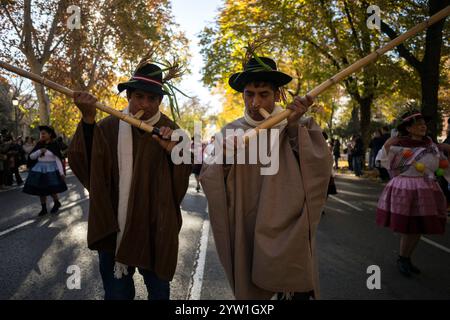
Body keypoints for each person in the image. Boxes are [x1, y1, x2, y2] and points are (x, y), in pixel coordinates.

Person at [200, 57, 332, 300]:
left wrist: (293, 129)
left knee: (295, 287)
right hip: (248, 222)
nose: (255, 102)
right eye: (249, 94)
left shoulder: (299, 123)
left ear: (278, 95)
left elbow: (319, 168)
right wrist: (225, 158)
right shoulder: (231, 132)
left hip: (291, 226)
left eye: (264, 94)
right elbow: (209, 177)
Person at [68, 61, 192, 300]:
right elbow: (86, 165)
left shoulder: (173, 131)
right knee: (117, 295)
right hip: (115, 228)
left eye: (152, 99)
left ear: (160, 101)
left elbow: (180, 185)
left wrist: (172, 153)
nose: (145, 104)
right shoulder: (107, 126)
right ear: (128, 95)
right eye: (139, 96)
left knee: (159, 293)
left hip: (154, 228)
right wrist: (88, 120)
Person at [376, 111, 448, 277]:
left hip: (426, 188)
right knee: (410, 227)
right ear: (408, 128)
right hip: (405, 187)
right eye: (418, 124)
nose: (423, 126)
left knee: (418, 227)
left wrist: (443, 150)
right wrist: (387, 145)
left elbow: (440, 164)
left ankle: (406, 258)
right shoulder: (399, 144)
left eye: (424, 123)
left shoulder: (430, 145)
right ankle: (403, 258)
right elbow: (383, 162)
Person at [23, 126, 67, 216]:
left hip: (51, 169)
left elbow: (58, 160)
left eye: (44, 133)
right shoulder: (39, 144)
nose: (42, 135)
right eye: (41, 133)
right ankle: (43, 208)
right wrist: (39, 151)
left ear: (50, 134)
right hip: (39, 170)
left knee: (51, 189)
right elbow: (31, 157)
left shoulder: (54, 145)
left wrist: (62, 173)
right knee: (40, 190)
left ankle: (56, 202)